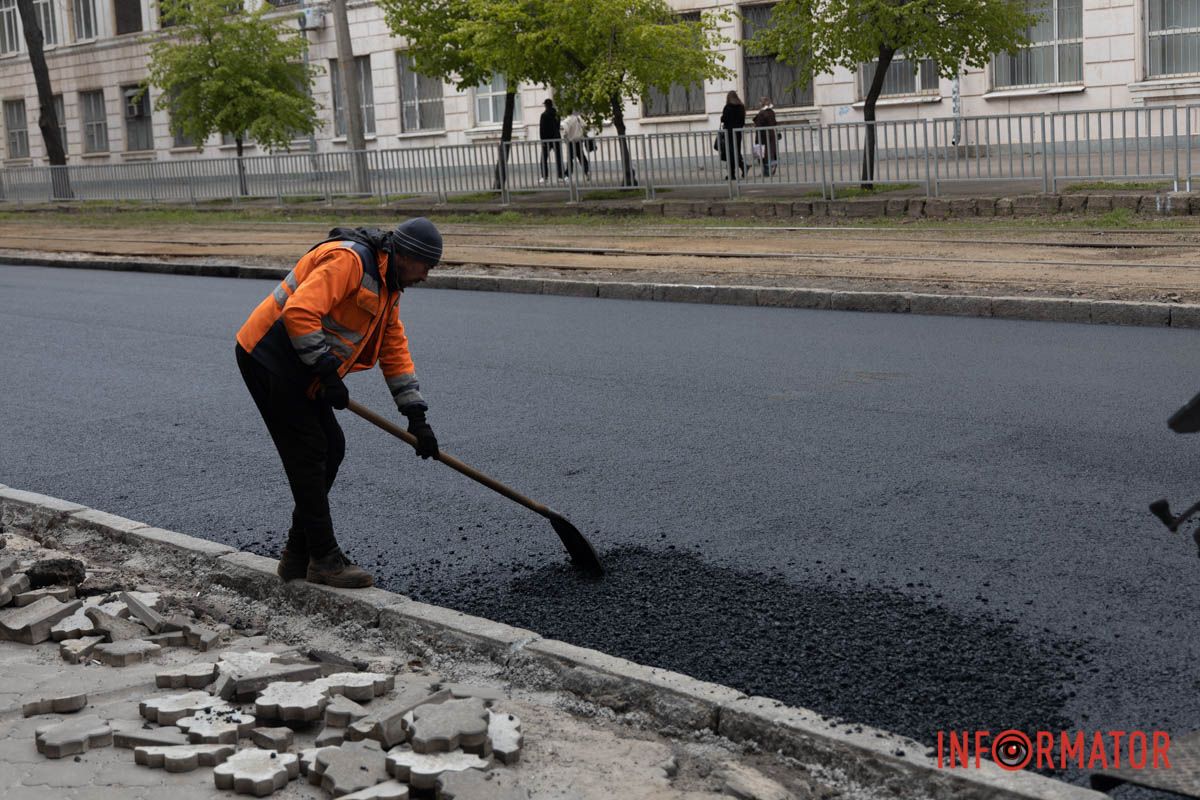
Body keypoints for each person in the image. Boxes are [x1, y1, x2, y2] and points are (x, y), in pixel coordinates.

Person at [235, 218, 443, 589]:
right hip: (270, 355)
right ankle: (324, 559)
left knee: (332, 447)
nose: (426, 276)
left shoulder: (388, 286)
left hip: (302, 364)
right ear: (407, 255)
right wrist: (327, 373)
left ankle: (298, 556)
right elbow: (299, 312)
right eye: (426, 266)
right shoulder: (350, 261)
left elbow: (394, 350)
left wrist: (416, 417)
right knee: (310, 452)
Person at [720, 90, 747, 180]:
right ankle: (736, 171)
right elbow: (742, 121)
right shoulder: (741, 107)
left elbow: (724, 119)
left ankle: (734, 172)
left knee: (730, 153)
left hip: (729, 133)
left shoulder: (728, 107)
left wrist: (722, 118)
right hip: (738, 133)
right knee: (736, 152)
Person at [753, 96, 779, 177]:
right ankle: (771, 168)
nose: (759, 103)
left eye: (760, 102)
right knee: (771, 152)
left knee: (763, 154)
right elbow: (774, 123)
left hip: (762, 135)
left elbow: (758, 124)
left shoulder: (762, 113)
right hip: (771, 134)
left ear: (762, 103)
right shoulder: (771, 112)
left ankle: (767, 171)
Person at [539, 98, 564, 183]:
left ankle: (544, 176)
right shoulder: (557, 114)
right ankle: (561, 176)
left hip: (547, 140)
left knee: (543, 159)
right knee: (558, 158)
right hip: (556, 138)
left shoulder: (544, 115)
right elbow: (558, 126)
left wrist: (542, 140)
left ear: (546, 105)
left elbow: (542, 129)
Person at [561, 109, 590, 181]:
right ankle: (587, 171)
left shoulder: (566, 121)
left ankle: (568, 175)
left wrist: (565, 138)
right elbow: (585, 126)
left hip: (571, 142)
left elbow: (565, 132)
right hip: (579, 141)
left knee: (570, 159)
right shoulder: (578, 118)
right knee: (581, 157)